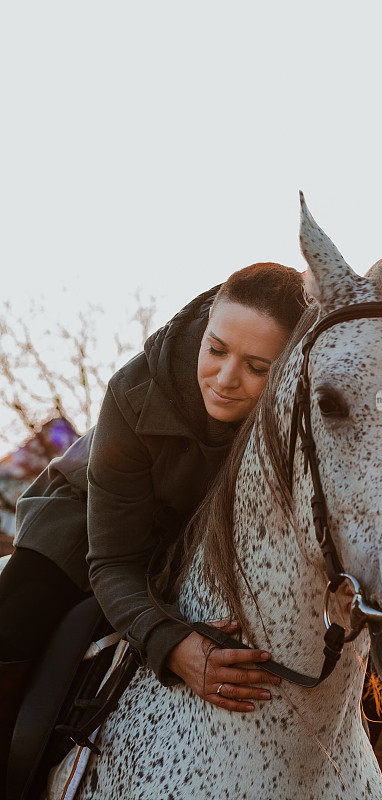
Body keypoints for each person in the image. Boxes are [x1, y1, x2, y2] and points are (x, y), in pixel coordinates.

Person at [0, 263, 309, 789]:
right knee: (15, 615)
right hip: (88, 523)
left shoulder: (303, 413)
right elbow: (115, 562)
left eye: (257, 366)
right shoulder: (133, 390)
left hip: (204, 541)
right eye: (216, 350)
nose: (226, 379)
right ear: (206, 326)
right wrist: (173, 644)